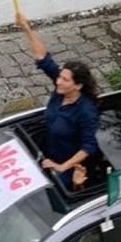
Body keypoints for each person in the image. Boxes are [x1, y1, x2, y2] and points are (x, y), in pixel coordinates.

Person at [16, 13, 100, 190]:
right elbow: (43, 58)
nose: (58, 82)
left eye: (64, 80)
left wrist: (63, 167)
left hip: (64, 166)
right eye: (59, 77)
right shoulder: (61, 87)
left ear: (78, 85)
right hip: (46, 152)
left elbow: (88, 147)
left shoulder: (86, 112)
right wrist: (26, 28)